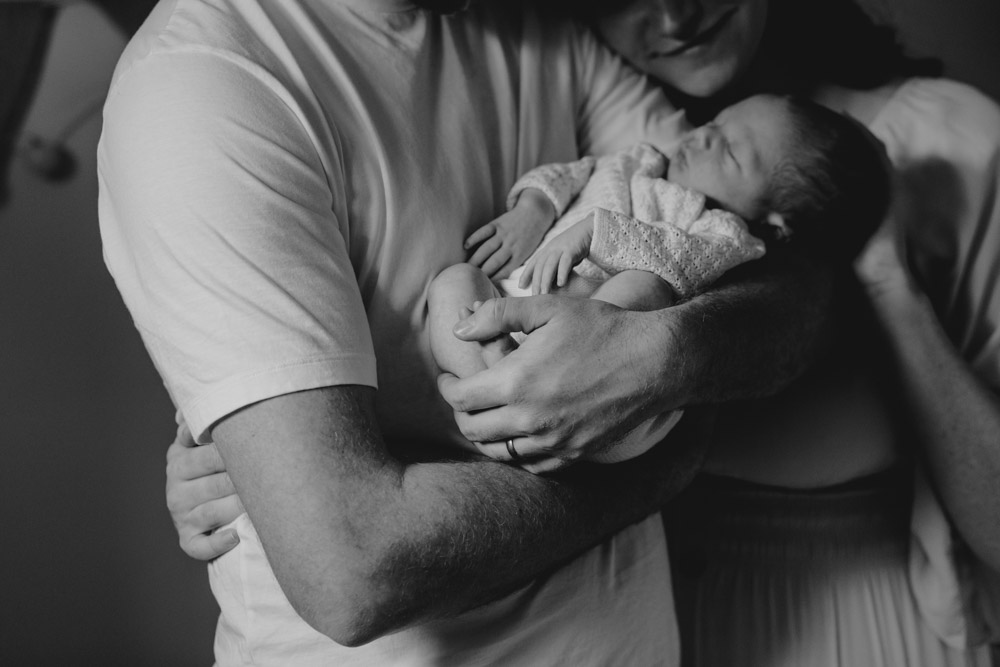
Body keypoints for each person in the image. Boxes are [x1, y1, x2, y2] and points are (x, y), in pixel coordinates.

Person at [101, 0, 840, 664]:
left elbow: (783, 273)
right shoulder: (205, 86)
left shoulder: (543, 29)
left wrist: (669, 354)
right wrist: (667, 446)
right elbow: (355, 571)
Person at [428, 92, 890, 466]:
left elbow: (681, 260)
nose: (706, 136)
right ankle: (490, 396)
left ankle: (521, 409)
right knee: (455, 282)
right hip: (518, 299)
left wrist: (597, 231)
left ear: (775, 223)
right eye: (718, 122)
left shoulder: (725, 233)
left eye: (729, 151)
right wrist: (534, 207)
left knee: (648, 285)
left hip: (605, 381)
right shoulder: (639, 161)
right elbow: (574, 173)